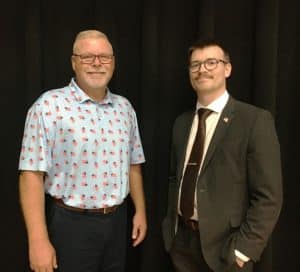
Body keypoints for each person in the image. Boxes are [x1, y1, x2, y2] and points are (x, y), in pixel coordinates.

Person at [18, 29, 147, 272]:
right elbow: (31, 175)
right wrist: (37, 241)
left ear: (113, 62)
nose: (97, 63)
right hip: (71, 225)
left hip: (117, 223)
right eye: (88, 57)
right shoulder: (48, 106)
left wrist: (140, 210)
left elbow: (133, 163)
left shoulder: (125, 108)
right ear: (74, 62)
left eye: (104, 57)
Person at [162, 39, 282, 272]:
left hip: (227, 252)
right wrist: (171, 233)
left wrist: (243, 251)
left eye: (211, 62)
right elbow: (173, 179)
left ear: (227, 68)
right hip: (182, 246)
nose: (202, 69)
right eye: (195, 64)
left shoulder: (254, 121)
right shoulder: (181, 123)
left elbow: (269, 197)